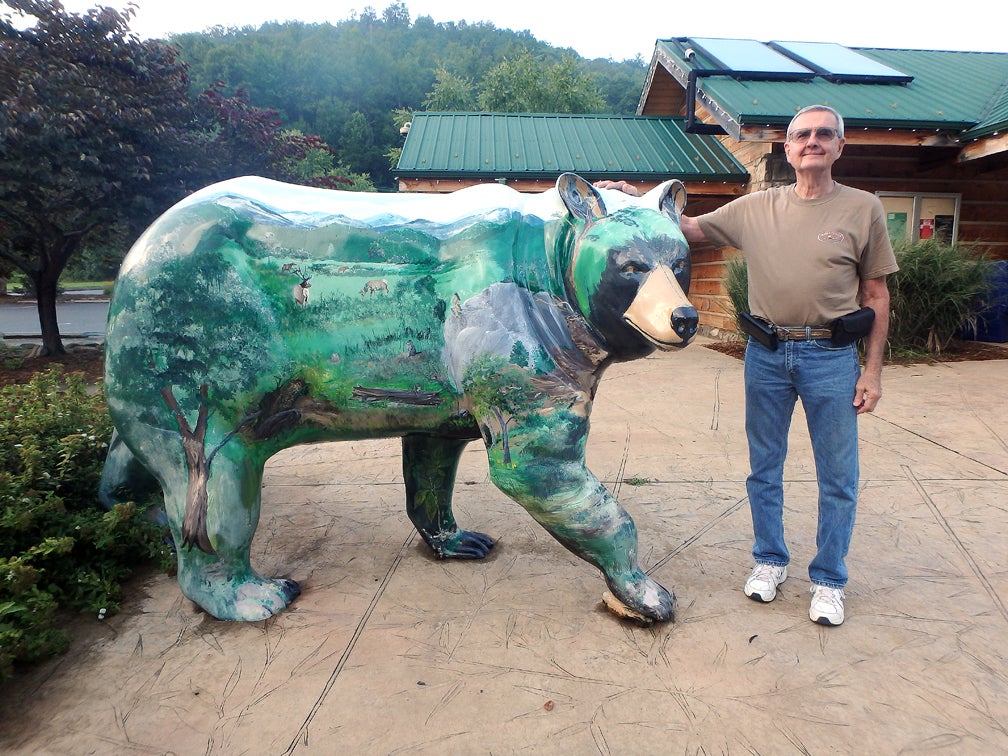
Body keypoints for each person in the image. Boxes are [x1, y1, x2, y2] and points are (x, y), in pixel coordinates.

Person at [598, 104, 898, 626]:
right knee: (764, 467)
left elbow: (876, 293)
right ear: (787, 148)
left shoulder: (863, 208)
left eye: (825, 134)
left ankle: (829, 579)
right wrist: (633, 198)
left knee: (838, 475)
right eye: (801, 134)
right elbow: (688, 228)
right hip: (766, 356)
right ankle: (769, 560)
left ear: (839, 146)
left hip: (831, 357)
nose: (812, 141)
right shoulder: (755, 207)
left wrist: (871, 370)